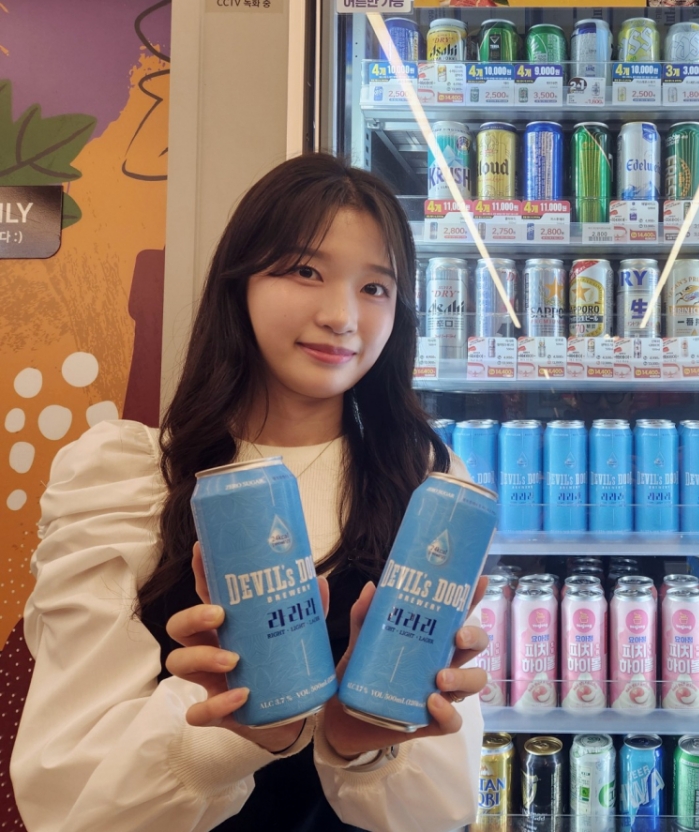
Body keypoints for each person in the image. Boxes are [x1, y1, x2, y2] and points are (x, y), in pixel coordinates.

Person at [12, 154, 487, 832]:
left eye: (375, 287)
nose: (342, 316)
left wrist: (361, 741)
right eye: (305, 271)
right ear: (240, 281)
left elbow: (440, 807)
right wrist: (233, 735)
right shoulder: (129, 476)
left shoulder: (427, 486)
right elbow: (69, 805)